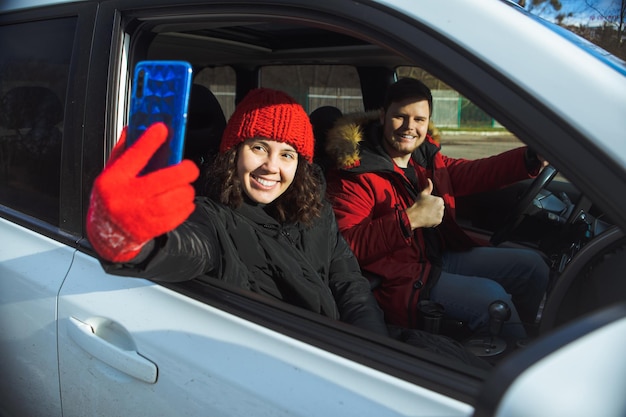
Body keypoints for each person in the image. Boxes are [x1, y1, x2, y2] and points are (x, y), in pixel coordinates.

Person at [85, 87, 490, 368]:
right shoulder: (211, 217)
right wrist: (127, 236)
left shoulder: (315, 213)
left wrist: (373, 352)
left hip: (351, 349)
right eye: (258, 147)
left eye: (287, 154)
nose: (271, 167)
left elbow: (349, 283)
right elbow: (182, 247)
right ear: (233, 152)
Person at [324, 78, 550, 343]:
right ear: (383, 115)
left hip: (435, 256)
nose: (410, 127)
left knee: (534, 267)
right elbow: (346, 248)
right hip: (400, 278)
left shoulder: (425, 157)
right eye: (400, 117)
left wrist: (529, 158)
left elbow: (473, 173)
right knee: (493, 298)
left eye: (419, 120)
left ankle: (517, 338)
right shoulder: (355, 173)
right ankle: (515, 358)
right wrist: (409, 220)